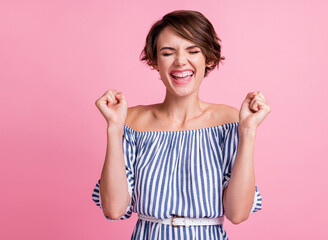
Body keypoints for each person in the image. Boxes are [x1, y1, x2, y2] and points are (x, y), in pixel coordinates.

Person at [92, 10, 271, 239]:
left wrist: (248, 131)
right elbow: (114, 208)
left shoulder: (229, 121)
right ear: (155, 61)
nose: (180, 61)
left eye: (192, 50)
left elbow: (237, 213)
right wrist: (114, 127)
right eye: (167, 53)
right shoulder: (131, 122)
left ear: (209, 58)